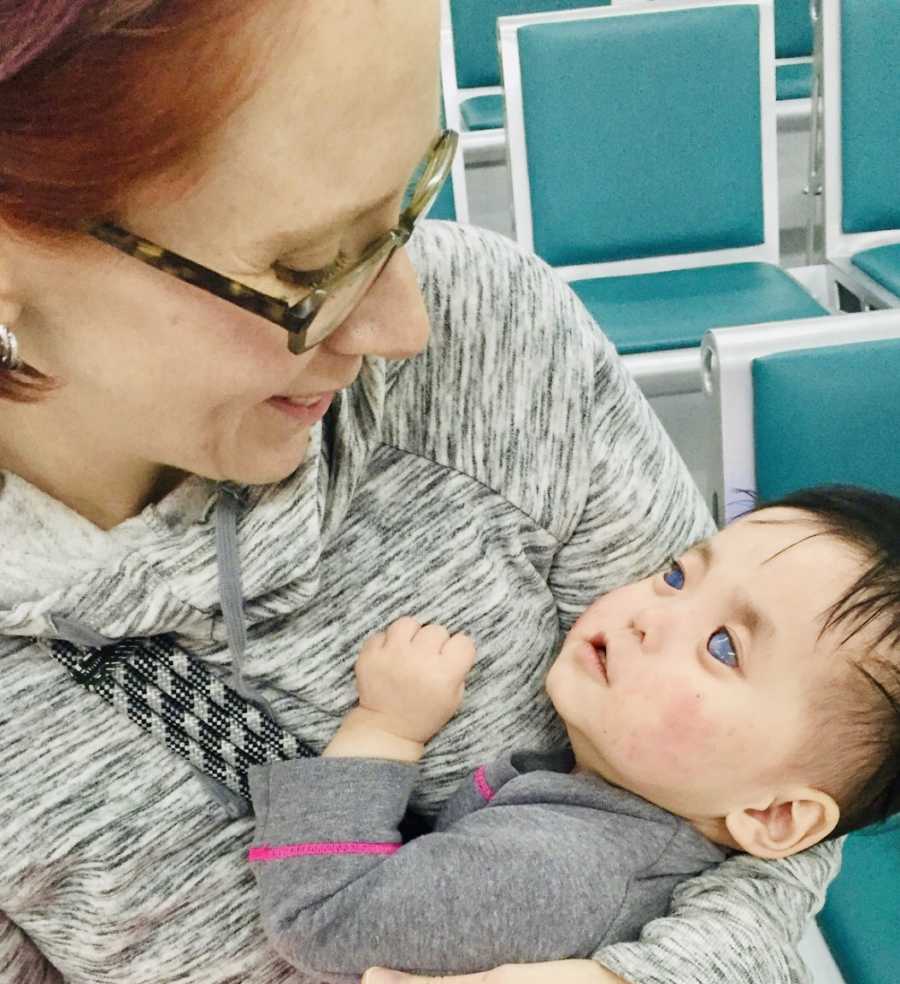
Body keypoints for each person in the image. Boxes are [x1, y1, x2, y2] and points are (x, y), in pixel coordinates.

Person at [0, 2, 843, 983]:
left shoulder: (494, 339)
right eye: (309, 265)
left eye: (412, 197)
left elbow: (794, 763)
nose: (407, 325)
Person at [246, 486, 900, 981]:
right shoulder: (624, 817)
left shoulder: (557, 871)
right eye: (676, 576)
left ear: (777, 814)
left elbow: (324, 917)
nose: (649, 615)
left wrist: (383, 727)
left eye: (723, 647)